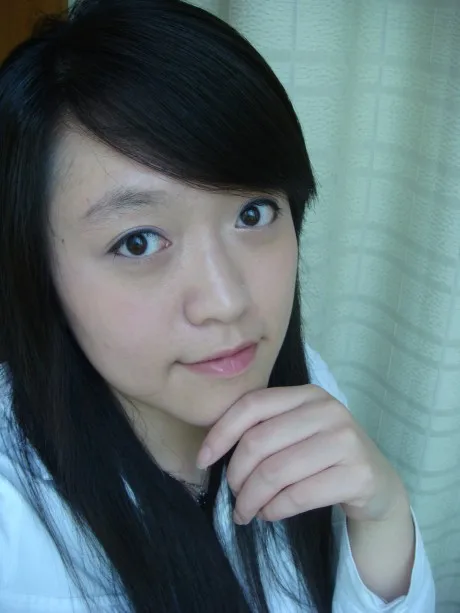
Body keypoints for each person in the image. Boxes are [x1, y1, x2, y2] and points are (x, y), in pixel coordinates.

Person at [0, 1, 435, 612]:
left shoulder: (303, 385)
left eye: (253, 213)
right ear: (35, 265)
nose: (226, 303)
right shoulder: (14, 520)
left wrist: (383, 516)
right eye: (138, 241)